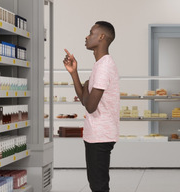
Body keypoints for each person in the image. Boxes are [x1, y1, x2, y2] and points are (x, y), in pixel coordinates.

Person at [63, 21, 120, 192]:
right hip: (95, 134)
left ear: (101, 37)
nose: (87, 37)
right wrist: (74, 73)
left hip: (101, 135)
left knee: (99, 186)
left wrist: (88, 88)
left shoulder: (104, 66)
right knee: (96, 184)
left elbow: (90, 106)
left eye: (91, 33)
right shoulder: (99, 65)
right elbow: (84, 99)